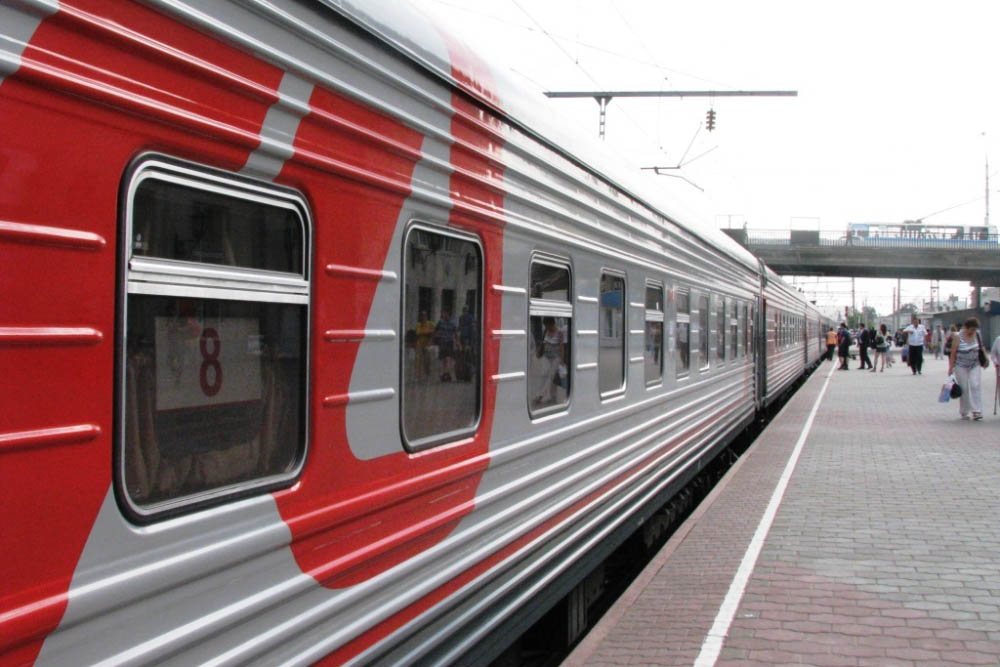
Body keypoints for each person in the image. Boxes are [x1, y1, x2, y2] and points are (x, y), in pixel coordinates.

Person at [947, 317, 986, 420]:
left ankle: (977, 411)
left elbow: (981, 347)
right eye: (972, 329)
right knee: (964, 388)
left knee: (975, 385)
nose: (973, 331)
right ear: (966, 327)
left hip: (974, 364)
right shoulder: (958, 336)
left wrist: (985, 359)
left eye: (975, 329)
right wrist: (950, 367)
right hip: (961, 366)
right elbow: (953, 352)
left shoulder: (977, 334)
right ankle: (964, 411)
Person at [434, 310, 459, 382]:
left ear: (449, 315)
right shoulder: (440, 322)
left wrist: (458, 342)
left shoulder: (453, 323)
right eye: (443, 314)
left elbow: (455, 333)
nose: (444, 315)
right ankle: (444, 373)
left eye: (446, 314)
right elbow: (435, 331)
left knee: (448, 358)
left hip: (449, 342)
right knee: (443, 359)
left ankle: (446, 373)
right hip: (442, 342)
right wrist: (434, 339)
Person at [414, 310, 435, 380]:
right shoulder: (418, 325)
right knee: (418, 361)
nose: (423, 318)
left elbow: (432, 334)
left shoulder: (430, 324)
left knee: (427, 361)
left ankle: (427, 375)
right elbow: (417, 334)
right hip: (419, 344)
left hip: (427, 345)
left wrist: (430, 342)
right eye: (422, 316)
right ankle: (418, 376)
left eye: (424, 316)